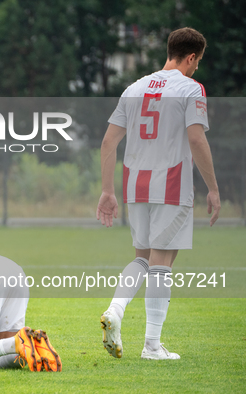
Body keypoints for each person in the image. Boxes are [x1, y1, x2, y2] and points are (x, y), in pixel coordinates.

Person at [96, 27, 220, 360]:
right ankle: (151, 345)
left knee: (143, 258)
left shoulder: (134, 87)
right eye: (197, 62)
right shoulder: (191, 88)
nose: (196, 69)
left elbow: (109, 141)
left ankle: (117, 310)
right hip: (171, 182)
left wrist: (108, 190)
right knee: (162, 263)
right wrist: (213, 188)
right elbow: (196, 139)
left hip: (134, 184)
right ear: (191, 57)